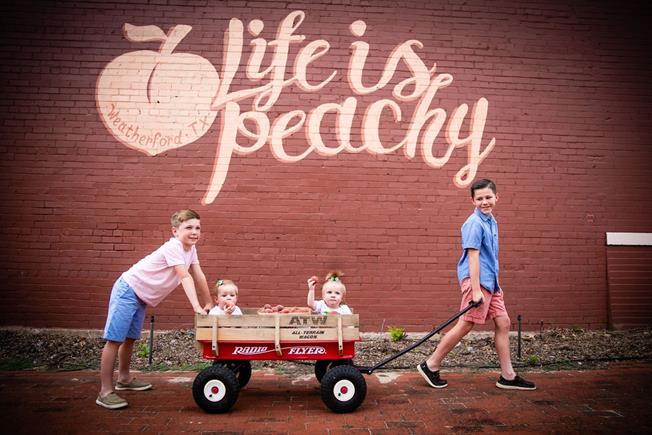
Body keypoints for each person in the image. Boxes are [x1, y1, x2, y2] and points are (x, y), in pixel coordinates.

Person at [417, 179, 536, 391]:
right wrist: (476, 289)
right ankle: (430, 364)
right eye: (479, 198)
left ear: (497, 198)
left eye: (488, 197)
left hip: (491, 282)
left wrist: (493, 285)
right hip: (477, 282)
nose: (484, 202)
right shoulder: (474, 223)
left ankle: (508, 376)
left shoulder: (491, 221)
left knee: (503, 323)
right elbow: (473, 256)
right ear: (472, 200)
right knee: (466, 323)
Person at [96, 209, 213, 409]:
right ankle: (105, 391)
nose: (194, 232)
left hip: (140, 296)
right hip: (128, 289)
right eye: (188, 228)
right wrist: (196, 306)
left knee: (130, 338)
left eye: (197, 228)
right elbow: (185, 276)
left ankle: (123, 379)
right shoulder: (174, 247)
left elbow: (199, 274)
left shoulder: (190, 249)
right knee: (115, 339)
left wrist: (209, 301)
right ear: (175, 231)